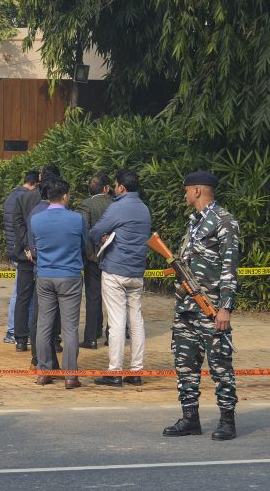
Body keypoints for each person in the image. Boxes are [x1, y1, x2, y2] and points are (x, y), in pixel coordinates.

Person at [162, 171, 240, 441]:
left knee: (220, 365)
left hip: (211, 307)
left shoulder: (225, 222)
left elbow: (230, 269)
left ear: (196, 191)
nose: (184, 195)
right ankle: (190, 417)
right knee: (184, 364)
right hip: (186, 306)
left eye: (186, 190)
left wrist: (226, 307)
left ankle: (227, 420)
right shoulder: (193, 223)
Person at [90, 170, 151, 387]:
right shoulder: (144, 209)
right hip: (137, 272)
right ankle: (136, 371)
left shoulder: (118, 206)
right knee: (136, 321)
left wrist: (104, 236)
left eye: (116, 185)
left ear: (121, 188)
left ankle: (115, 371)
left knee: (116, 322)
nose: (115, 189)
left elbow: (96, 231)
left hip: (115, 270)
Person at [29, 179, 86, 389]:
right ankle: (70, 376)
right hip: (69, 276)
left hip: (44, 275)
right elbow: (83, 245)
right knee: (70, 327)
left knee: (44, 325)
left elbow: (34, 248)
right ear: (64, 196)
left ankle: (44, 372)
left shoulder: (37, 220)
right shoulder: (76, 219)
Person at [12, 165, 62, 358]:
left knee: (23, 296)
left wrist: (27, 248)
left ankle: (21, 339)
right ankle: (54, 339)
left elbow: (17, 223)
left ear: (40, 177)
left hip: (26, 256)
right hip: (50, 256)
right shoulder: (57, 199)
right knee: (53, 299)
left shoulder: (24, 197)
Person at [76, 173, 113, 349]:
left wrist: (89, 253)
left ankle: (91, 337)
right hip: (113, 258)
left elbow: (83, 231)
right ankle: (110, 336)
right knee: (113, 299)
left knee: (93, 296)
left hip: (93, 259)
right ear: (106, 188)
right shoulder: (116, 204)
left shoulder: (86, 204)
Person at [3, 170, 38, 344]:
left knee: (21, 292)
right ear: (34, 184)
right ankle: (14, 330)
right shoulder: (27, 199)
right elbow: (22, 226)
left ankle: (16, 330)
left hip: (13, 247)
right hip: (22, 250)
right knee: (21, 293)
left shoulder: (12, 196)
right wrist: (27, 247)